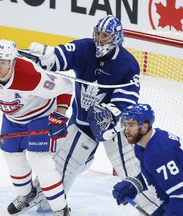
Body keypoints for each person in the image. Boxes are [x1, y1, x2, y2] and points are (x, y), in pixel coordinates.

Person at [22, 15, 162, 214]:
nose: (99, 39)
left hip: (116, 127)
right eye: (97, 33)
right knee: (61, 165)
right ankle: (46, 198)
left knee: (131, 169)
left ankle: (158, 207)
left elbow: (128, 99)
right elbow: (63, 56)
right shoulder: (84, 48)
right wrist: (48, 56)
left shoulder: (128, 64)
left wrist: (110, 115)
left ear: (116, 37)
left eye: (105, 35)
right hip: (82, 123)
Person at [0, 39, 74, 215]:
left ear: (13, 62)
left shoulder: (29, 75)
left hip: (40, 115)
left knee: (40, 161)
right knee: (11, 156)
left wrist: (60, 115)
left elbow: (65, 87)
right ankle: (26, 195)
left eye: (3, 62)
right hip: (12, 118)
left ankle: (61, 209)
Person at [113, 103, 183, 216]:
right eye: (125, 124)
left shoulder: (159, 152)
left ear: (144, 127)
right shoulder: (142, 145)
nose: (126, 130)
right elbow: (157, 172)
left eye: (131, 125)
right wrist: (136, 184)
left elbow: (180, 195)